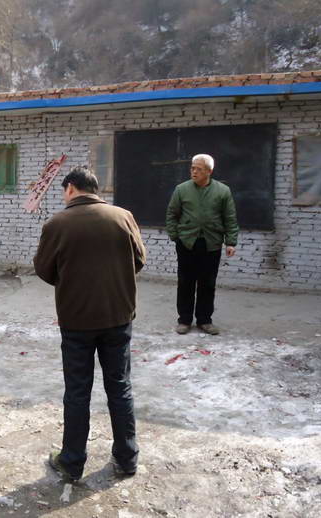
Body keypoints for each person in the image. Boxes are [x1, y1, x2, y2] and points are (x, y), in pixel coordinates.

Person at [34, 166, 146, 482]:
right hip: (117, 316)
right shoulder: (123, 217)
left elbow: (44, 270)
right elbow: (138, 260)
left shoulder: (57, 224)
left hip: (77, 320)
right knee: (120, 387)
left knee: (77, 391)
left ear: (70, 188)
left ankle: (72, 462)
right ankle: (127, 458)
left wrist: (72, 279)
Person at [165, 153, 239, 336]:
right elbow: (172, 214)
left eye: (199, 169)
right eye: (192, 168)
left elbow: (230, 218)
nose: (194, 172)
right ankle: (184, 320)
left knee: (208, 284)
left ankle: (205, 320)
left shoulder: (222, 191)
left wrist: (230, 242)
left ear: (209, 171)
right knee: (186, 282)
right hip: (187, 243)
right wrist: (176, 237)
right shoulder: (182, 189)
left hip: (211, 243)